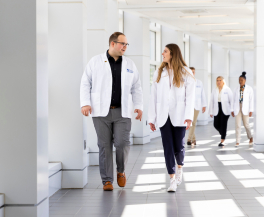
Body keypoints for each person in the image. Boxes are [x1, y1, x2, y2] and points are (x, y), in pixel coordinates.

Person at [80, 32, 143, 191]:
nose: (125, 47)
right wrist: (85, 103)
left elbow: (137, 87)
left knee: (122, 144)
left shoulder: (129, 64)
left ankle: (120, 171)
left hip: (123, 112)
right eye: (122, 43)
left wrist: (139, 105)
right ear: (112, 44)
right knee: (104, 146)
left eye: (126, 44)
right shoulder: (95, 62)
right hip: (101, 112)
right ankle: (107, 180)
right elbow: (85, 83)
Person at [148, 44, 195, 192]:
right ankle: (172, 179)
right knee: (167, 147)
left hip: (179, 114)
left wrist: (188, 117)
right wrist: (151, 118)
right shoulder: (159, 72)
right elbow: (153, 97)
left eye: (165, 51)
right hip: (163, 116)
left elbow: (190, 97)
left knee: (179, 146)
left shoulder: (186, 72)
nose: (162, 53)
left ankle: (180, 167)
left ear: (173, 54)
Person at [231, 71, 254, 147]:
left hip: (246, 108)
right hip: (237, 108)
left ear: (245, 80)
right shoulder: (236, 89)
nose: (240, 82)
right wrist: (232, 110)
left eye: (242, 80)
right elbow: (233, 100)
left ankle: (250, 137)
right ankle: (238, 141)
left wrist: (251, 110)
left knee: (246, 124)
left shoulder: (249, 89)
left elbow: (251, 100)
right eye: (239, 80)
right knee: (237, 125)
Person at [209, 76, 233, 147]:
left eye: (220, 80)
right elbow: (211, 101)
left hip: (225, 109)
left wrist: (232, 110)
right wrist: (211, 111)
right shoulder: (214, 90)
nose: (218, 82)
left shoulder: (227, 89)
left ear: (223, 81)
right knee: (215, 124)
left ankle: (222, 140)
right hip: (217, 108)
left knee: (223, 124)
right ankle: (223, 133)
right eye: (217, 80)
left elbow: (231, 100)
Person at [187, 67, 207, 146]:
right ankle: (194, 140)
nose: (192, 73)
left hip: (197, 105)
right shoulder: (186, 82)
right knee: (190, 122)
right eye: (190, 72)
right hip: (188, 105)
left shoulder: (199, 82)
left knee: (193, 122)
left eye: (193, 72)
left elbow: (203, 94)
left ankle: (189, 139)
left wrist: (204, 105)